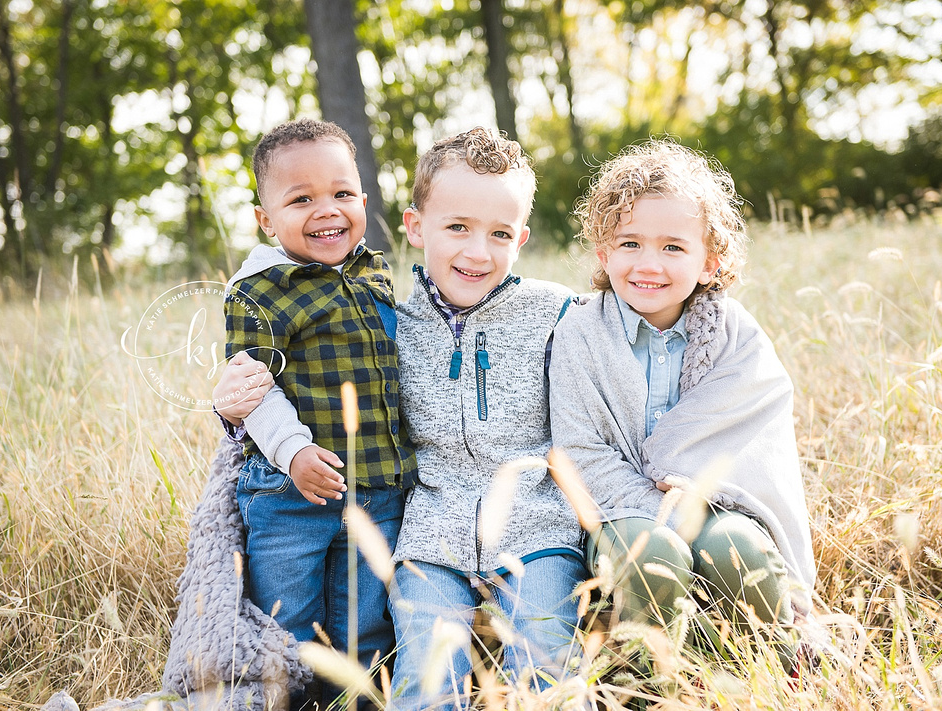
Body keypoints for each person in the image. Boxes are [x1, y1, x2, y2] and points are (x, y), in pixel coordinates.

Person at [220, 128, 587, 709]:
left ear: (521, 237)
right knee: (404, 667)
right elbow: (268, 380)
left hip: (530, 527)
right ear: (417, 228)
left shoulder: (557, 313)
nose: (476, 252)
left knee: (539, 652)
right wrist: (240, 409)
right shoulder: (387, 319)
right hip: (422, 534)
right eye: (458, 228)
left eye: (498, 234)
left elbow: (626, 344)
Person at [548, 138, 816, 672]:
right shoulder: (581, 332)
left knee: (740, 553)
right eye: (629, 244)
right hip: (617, 511)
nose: (649, 264)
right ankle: (648, 688)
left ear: (709, 261)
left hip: (716, 504)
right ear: (603, 253)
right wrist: (665, 518)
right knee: (653, 556)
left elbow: (750, 442)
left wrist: (695, 513)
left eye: (673, 247)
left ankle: (760, 675)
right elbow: (579, 450)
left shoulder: (732, 334)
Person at [218, 117, 417, 709]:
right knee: (287, 622)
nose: (326, 210)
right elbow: (255, 390)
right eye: (300, 199)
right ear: (266, 219)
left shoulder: (375, 271)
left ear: (362, 198)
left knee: (366, 622)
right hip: (288, 495)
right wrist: (294, 453)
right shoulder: (258, 289)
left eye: (341, 194)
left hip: (377, 486)